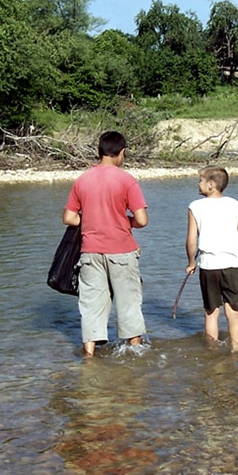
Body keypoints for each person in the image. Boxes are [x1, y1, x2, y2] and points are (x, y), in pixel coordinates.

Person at [63, 131, 149, 357]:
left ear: (99, 151)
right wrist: (124, 220)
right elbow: (142, 220)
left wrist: (92, 218)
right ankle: (135, 351)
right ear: (122, 152)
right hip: (121, 250)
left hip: (90, 251)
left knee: (92, 305)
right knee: (128, 302)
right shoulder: (126, 180)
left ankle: (89, 354)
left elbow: (69, 218)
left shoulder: (82, 180)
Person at [185, 165, 238, 352]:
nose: (198, 183)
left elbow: (191, 241)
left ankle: (212, 350)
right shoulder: (234, 204)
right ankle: (235, 347)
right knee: (233, 312)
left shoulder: (195, 206)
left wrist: (191, 262)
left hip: (209, 266)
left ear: (211, 184)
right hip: (233, 265)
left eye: (200, 180)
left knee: (211, 313)